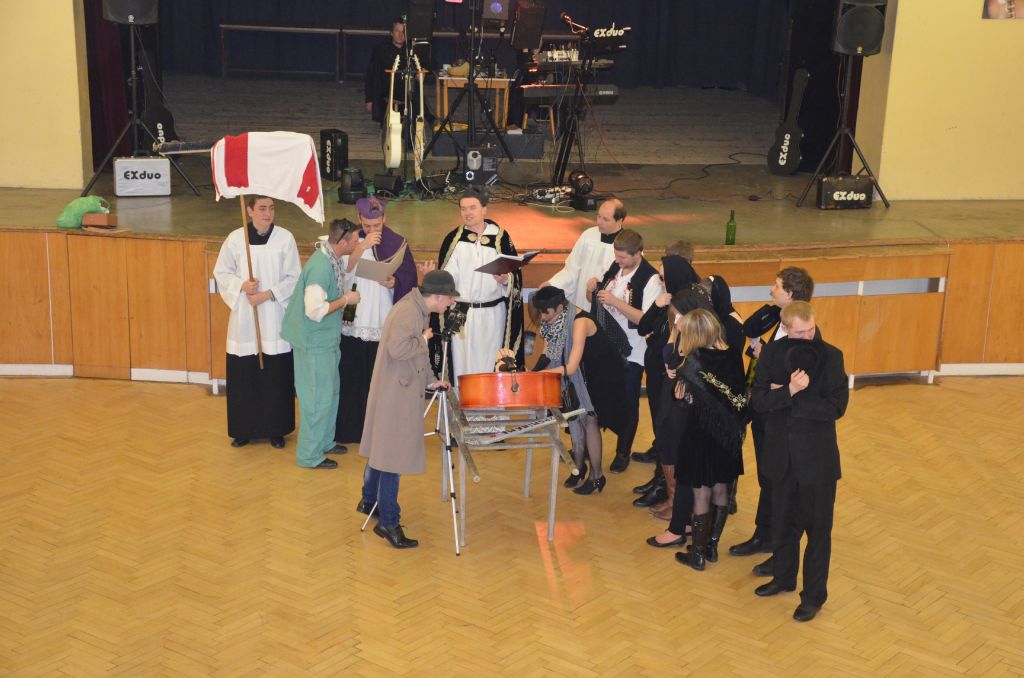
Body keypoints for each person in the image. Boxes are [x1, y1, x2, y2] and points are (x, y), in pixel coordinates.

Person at [750, 301, 847, 622]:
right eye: (800, 333)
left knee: (818, 532)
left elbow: (836, 407)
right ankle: (783, 577)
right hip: (781, 456)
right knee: (783, 524)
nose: (807, 338)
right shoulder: (772, 355)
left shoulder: (832, 357)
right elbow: (759, 401)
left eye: (810, 331)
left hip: (817, 462)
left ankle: (813, 596)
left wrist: (790, 397)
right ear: (785, 329)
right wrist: (789, 390)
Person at [357, 270, 458, 548]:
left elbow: (418, 358)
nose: (451, 303)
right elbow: (399, 349)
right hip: (395, 394)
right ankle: (389, 523)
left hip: (397, 390)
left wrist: (431, 381)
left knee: (383, 450)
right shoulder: (409, 312)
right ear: (437, 296)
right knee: (393, 458)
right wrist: (423, 339)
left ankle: (369, 500)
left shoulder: (418, 310)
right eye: (450, 298)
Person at [730, 267, 815, 576]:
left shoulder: (803, 334)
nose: (771, 290)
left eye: (776, 287)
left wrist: (765, 358)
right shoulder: (780, 320)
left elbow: (796, 380)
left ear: (789, 294)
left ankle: (777, 547)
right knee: (767, 478)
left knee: (779, 485)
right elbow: (753, 330)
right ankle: (763, 534)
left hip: (782, 421)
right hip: (766, 412)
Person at [213, 196, 301, 449]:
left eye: (271, 208)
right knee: (245, 375)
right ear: (249, 211)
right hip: (245, 318)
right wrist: (241, 285)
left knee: (275, 375)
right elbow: (221, 272)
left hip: (274, 316)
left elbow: (294, 277)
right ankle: (244, 429)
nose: (268, 213)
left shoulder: (285, 239)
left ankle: (276, 428)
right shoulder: (235, 239)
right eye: (262, 208)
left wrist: (268, 294)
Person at [666, 309, 748, 572]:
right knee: (721, 489)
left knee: (701, 492)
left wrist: (680, 395)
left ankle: (698, 554)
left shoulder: (693, 361)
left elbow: (684, 399)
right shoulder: (733, 354)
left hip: (700, 435)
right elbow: (738, 397)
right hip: (728, 435)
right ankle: (712, 546)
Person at [280, 219, 363, 469]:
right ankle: (309, 455)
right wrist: (346, 299)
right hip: (313, 343)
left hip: (325, 341)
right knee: (316, 400)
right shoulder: (320, 268)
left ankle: (325, 442)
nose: (358, 243)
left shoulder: (331, 258)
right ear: (342, 242)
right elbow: (314, 311)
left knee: (330, 395)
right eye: (355, 240)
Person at [335, 197, 418, 445]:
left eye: (377, 225)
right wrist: (361, 247)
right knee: (351, 376)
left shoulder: (396, 242)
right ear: (359, 219)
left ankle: (378, 433)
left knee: (378, 379)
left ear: (385, 219)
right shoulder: (350, 240)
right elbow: (340, 272)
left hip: (381, 315)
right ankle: (349, 430)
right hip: (355, 315)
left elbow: (409, 279)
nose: (372, 230)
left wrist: (395, 282)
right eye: (367, 225)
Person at [531, 286, 627, 494]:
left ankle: (597, 476)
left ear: (559, 307)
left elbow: (571, 367)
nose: (543, 317)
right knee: (575, 417)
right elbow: (548, 354)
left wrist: (542, 375)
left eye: (546, 312)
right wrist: (533, 372)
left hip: (600, 375)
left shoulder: (580, 322)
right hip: (581, 374)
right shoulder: (554, 322)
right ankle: (579, 466)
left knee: (589, 420)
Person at [591, 229, 665, 473]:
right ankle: (592, 445)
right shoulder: (616, 266)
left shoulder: (650, 279)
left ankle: (623, 452)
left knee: (628, 401)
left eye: (623, 257)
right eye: (616, 256)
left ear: (638, 254)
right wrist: (592, 289)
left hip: (633, 350)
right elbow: (598, 300)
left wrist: (616, 302)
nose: (618, 261)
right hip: (607, 345)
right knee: (600, 395)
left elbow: (646, 319)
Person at [434, 188, 524, 381]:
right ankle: (463, 401)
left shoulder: (500, 237)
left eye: (472, 207)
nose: (467, 213)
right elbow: (448, 276)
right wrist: (436, 279)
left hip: (493, 316)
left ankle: (490, 402)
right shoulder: (454, 239)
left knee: (491, 366)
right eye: (463, 208)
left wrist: (506, 280)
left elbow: (515, 275)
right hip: (462, 315)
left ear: (484, 209)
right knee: (462, 367)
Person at [541, 197, 626, 311]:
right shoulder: (588, 235)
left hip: (607, 309)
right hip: (581, 305)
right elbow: (572, 269)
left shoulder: (628, 246)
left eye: (605, 219)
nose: (599, 222)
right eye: (598, 216)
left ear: (619, 220)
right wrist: (553, 284)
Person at [365, 18, 407, 127]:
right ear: (391, 33)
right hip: (385, 99)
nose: (400, 34)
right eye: (397, 31)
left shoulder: (411, 52)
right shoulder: (381, 51)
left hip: (407, 100)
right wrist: (369, 100)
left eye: (403, 31)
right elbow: (371, 75)